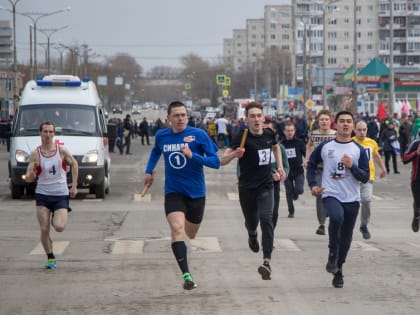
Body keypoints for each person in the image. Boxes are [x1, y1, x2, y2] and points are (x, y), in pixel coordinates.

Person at [143, 101, 220, 290]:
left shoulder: (199, 135)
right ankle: (187, 275)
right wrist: (149, 170)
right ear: (168, 118)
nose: (180, 119)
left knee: (190, 233)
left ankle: (187, 233)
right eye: (176, 115)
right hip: (174, 192)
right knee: (177, 229)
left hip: (196, 193)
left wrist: (193, 156)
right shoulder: (162, 136)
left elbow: (216, 161)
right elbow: (155, 152)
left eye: (183, 115)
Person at [221, 102, 286, 281]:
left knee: (267, 219)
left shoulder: (269, 134)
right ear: (247, 119)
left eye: (259, 116)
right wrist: (235, 154)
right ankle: (251, 234)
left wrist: (279, 166)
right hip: (247, 188)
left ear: (263, 118)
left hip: (266, 185)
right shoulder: (241, 136)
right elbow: (222, 160)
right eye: (253, 116)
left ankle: (266, 262)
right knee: (252, 221)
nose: (257, 119)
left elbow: (275, 148)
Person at [306, 111, 369, 288]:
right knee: (336, 217)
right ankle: (332, 252)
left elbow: (365, 176)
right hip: (330, 193)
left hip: (352, 198)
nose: (345, 124)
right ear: (336, 124)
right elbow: (311, 165)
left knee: (347, 239)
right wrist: (313, 185)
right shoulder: (326, 147)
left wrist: (352, 166)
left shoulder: (359, 150)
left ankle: (338, 269)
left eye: (349, 121)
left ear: (353, 125)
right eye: (342, 121)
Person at [24, 121, 78, 269]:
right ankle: (50, 257)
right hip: (43, 194)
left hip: (60, 194)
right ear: (40, 133)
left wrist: (74, 185)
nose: (48, 135)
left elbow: (74, 164)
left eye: (50, 132)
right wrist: (30, 176)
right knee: (44, 228)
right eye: (45, 132)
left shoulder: (61, 151)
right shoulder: (36, 154)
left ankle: (56, 214)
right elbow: (29, 172)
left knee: (59, 227)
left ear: (54, 134)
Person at [353, 120, 387, 239]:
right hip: (353, 178)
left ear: (367, 130)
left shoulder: (371, 143)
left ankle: (364, 225)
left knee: (366, 200)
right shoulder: (351, 142)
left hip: (368, 177)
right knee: (352, 205)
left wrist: (383, 169)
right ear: (354, 130)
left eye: (364, 130)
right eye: (359, 130)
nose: (362, 132)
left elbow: (376, 156)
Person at [305, 109, 336, 235]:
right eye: (322, 119)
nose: (324, 121)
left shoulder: (335, 134)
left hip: (332, 170)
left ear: (330, 121)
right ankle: (322, 224)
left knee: (332, 194)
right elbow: (309, 146)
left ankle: (329, 212)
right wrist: (307, 159)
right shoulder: (314, 134)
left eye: (326, 119)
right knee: (319, 194)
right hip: (318, 168)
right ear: (318, 121)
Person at [281, 122, 306, 218]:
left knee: (299, 190)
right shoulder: (281, 144)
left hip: (298, 170)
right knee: (288, 192)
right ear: (284, 132)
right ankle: (291, 211)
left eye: (291, 130)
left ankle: (296, 193)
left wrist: (306, 161)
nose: (290, 133)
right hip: (287, 172)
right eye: (288, 131)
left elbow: (305, 154)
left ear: (294, 131)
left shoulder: (299, 142)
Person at [402, 135, 420, 232]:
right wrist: (416, 153)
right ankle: (416, 215)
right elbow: (404, 159)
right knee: (418, 204)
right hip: (417, 180)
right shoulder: (416, 143)